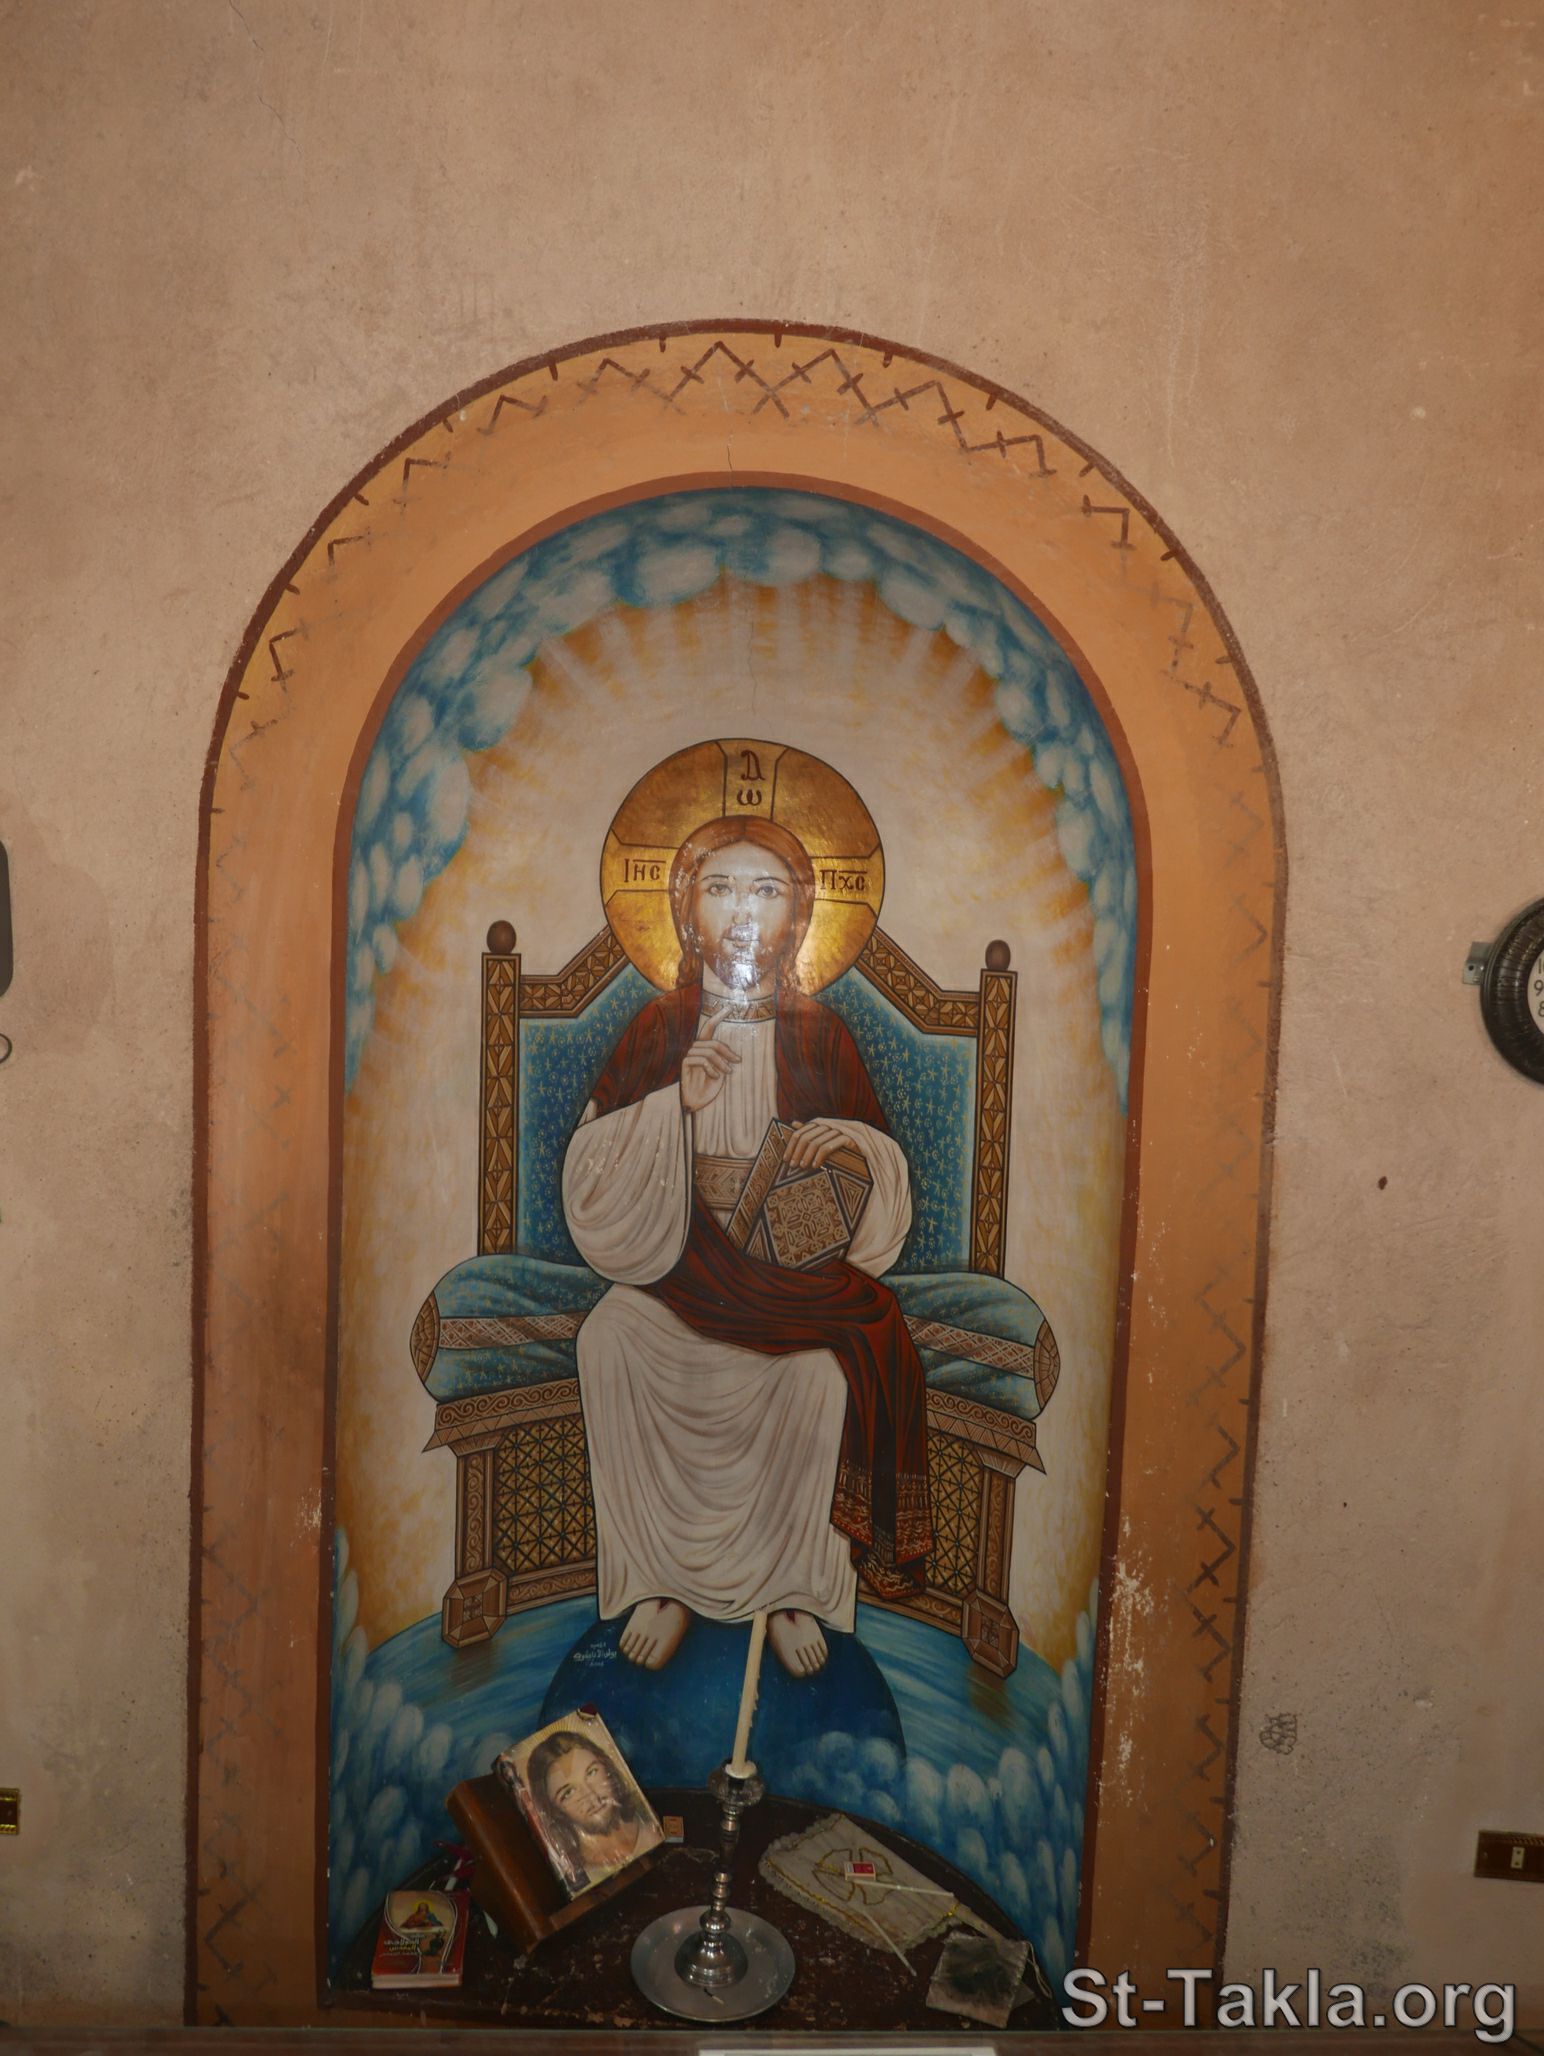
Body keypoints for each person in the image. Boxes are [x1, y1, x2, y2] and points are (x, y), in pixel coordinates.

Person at [562, 814, 932, 1681]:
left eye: (764, 892)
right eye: (720, 888)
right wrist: (672, 1109)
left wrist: (846, 1141)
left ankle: (796, 1589)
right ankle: (660, 1582)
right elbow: (588, 1171)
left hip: (787, 1280)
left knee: (821, 1375)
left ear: (797, 917)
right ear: (686, 911)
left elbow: (882, 1183)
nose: (740, 911)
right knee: (606, 1338)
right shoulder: (659, 1027)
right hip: (675, 1268)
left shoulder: (821, 1034)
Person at [521, 1729, 661, 1891]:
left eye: (592, 1772)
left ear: (607, 1768)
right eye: (568, 1793)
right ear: (554, 1811)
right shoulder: (580, 1879)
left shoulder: (650, 1823)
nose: (593, 1798)